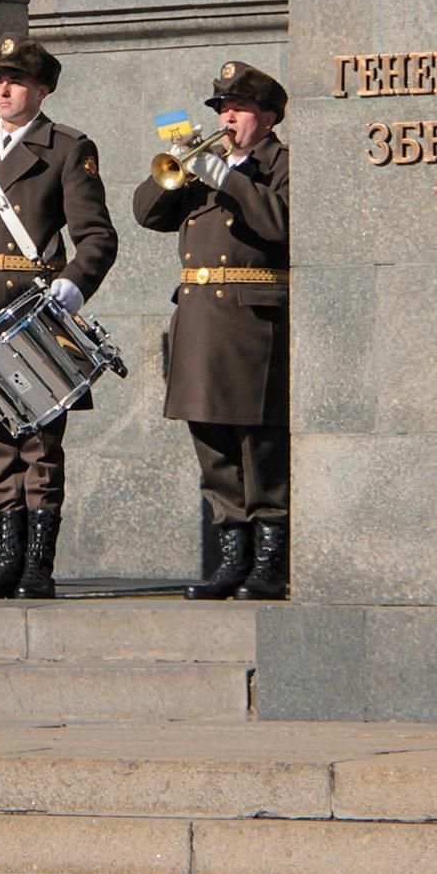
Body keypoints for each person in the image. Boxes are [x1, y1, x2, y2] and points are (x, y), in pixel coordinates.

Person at [0, 36, 118, 599]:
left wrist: (71, 287)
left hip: (33, 311)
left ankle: (37, 569)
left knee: (39, 445)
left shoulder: (67, 147)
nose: (3, 89)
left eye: (16, 80)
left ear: (42, 90)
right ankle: (6, 563)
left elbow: (97, 236)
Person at [132, 62, 291, 600]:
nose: (227, 117)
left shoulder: (281, 165)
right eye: (222, 109)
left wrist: (232, 181)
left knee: (258, 446)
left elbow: (281, 224)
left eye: (239, 109)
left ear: (267, 119)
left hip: (252, 322)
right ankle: (232, 555)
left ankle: (269, 562)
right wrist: (178, 165)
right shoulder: (202, 164)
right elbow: (146, 213)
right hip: (199, 321)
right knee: (212, 445)